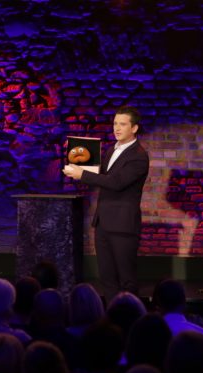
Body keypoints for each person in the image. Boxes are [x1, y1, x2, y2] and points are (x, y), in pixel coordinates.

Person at [64, 106, 150, 301]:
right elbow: (101, 176)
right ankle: (112, 316)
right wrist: (79, 165)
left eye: (122, 124)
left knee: (126, 279)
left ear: (134, 128)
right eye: (115, 124)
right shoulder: (112, 150)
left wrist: (82, 174)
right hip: (103, 223)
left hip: (122, 225)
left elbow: (116, 182)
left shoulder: (138, 156)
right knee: (107, 277)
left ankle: (130, 318)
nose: (117, 128)